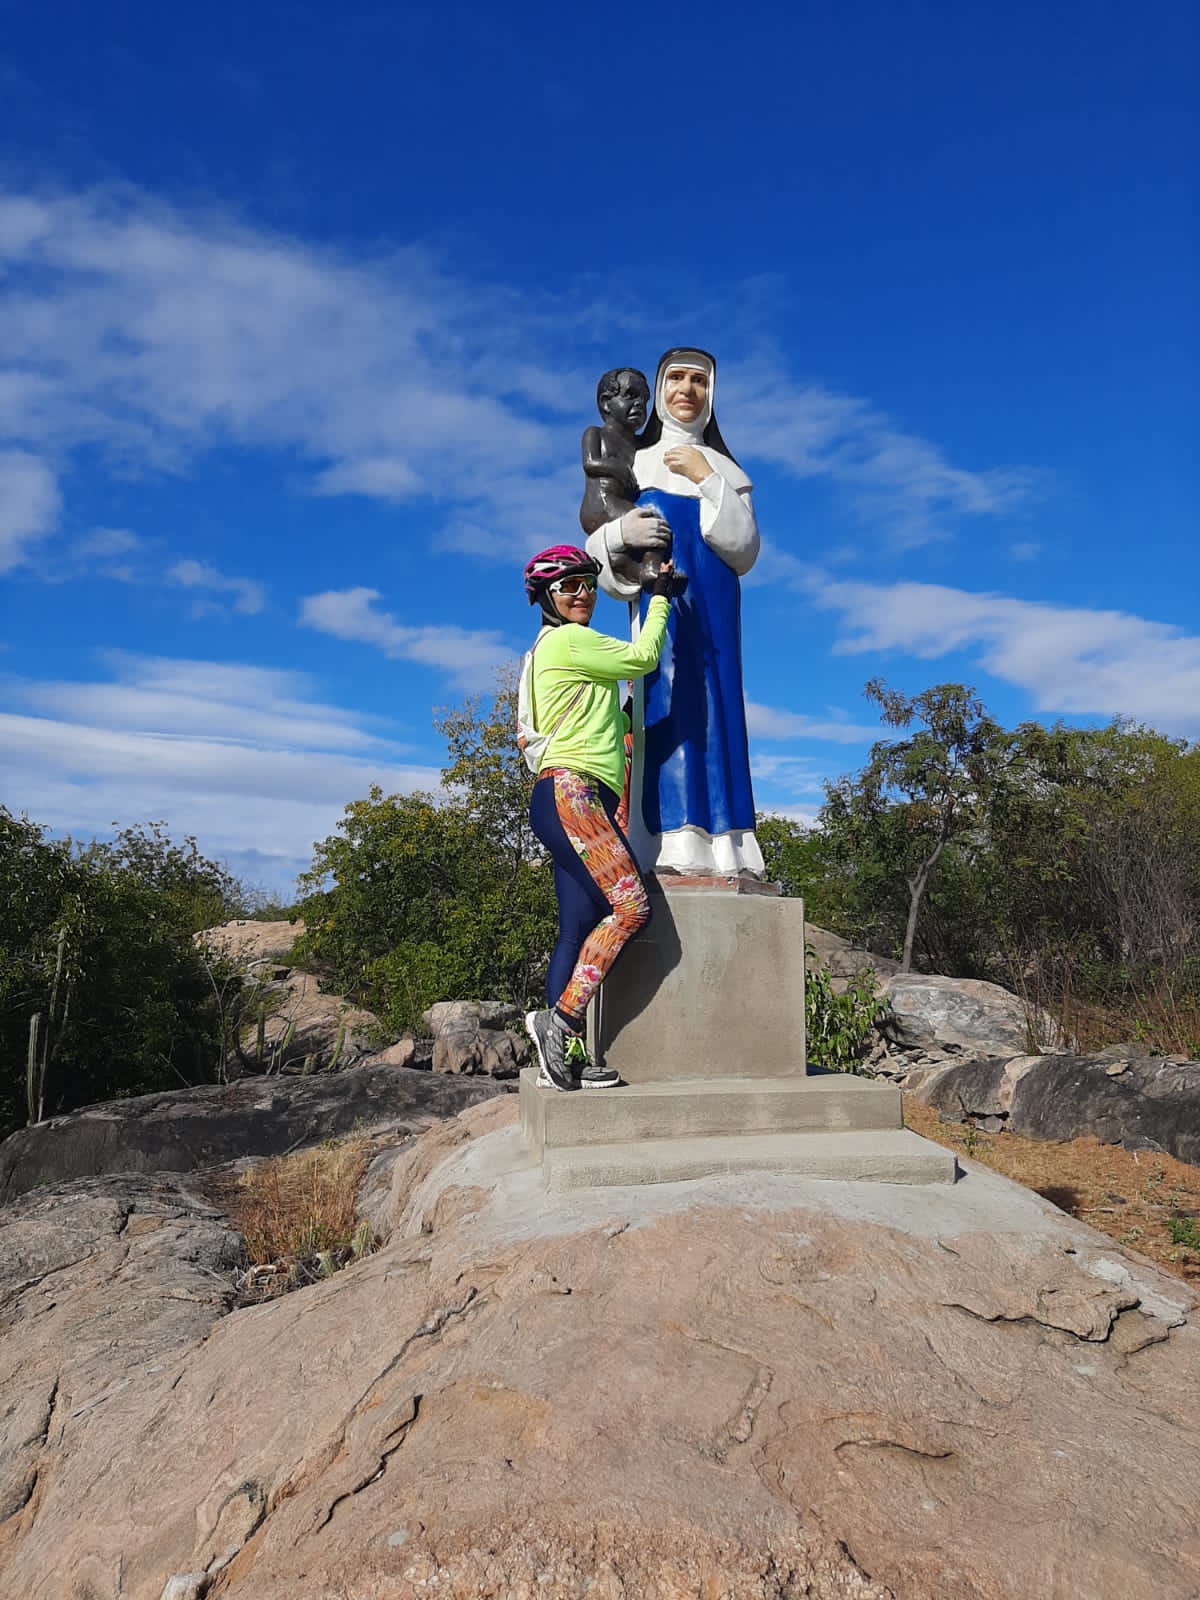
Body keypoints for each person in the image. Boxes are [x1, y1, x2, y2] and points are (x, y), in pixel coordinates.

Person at [584, 348, 764, 877]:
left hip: (717, 613)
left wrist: (707, 478)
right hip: (663, 610)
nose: (687, 390)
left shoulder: (729, 471)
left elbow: (745, 549)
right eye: (677, 378)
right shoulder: (635, 462)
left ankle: (730, 845)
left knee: (721, 713)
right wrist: (622, 532)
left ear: (712, 393)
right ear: (661, 389)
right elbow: (595, 542)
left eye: (699, 381)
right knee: (669, 706)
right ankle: (674, 841)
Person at [520, 543, 675, 1091]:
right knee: (631, 908)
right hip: (574, 794)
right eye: (569, 587)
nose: (583, 595)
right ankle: (560, 1023)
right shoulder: (569, 640)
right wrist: (660, 597)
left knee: (578, 927)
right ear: (546, 598)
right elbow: (643, 658)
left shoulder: (549, 652)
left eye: (588, 585)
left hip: (563, 796)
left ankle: (561, 1060)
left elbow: (614, 719)